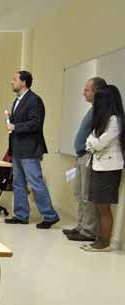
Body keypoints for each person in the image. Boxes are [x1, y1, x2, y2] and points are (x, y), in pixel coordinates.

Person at [4, 70, 60, 228]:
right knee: (18, 183)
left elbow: (36, 123)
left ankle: (50, 216)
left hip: (29, 149)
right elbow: (20, 123)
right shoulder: (17, 101)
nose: (11, 82)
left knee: (36, 183)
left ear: (24, 82)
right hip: (17, 148)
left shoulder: (34, 100)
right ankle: (21, 215)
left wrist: (15, 125)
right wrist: (11, 119)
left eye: (14, 79)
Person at [63, 77, 108, 241]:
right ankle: (81, 226)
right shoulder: (92, 109)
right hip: (82, 155)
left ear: (96, 92)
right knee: (80, 195)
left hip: (90, 157)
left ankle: (88, 231)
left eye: (87, 90)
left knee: (87, 196)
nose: (83, 93)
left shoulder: (101, 111)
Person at [83, 85, 125, 252]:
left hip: (109, 169)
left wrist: (93, 142)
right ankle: (99, 239)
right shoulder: (103, 120)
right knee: (98, 206)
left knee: (104, 207)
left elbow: (98, 143)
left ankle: (104, 243)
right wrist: (93, 141)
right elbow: (91, 141)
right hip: (98, 166)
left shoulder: (115, 120)